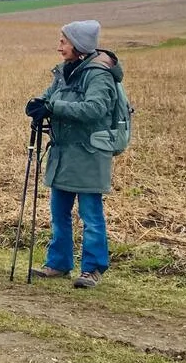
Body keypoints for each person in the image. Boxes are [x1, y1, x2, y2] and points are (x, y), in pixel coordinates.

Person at [26, 20, 121, 289]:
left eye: (63, 42)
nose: (59, 47)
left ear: (78, 45)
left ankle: (92, 269)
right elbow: (48, 99)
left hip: (89, 154)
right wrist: (37, 106)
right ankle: (58, 263)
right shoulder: (64, 71)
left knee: (90, 215)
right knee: (59, 213)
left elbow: (96, 109)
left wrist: (53, 107)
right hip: (64, 153)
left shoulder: (99, 74)